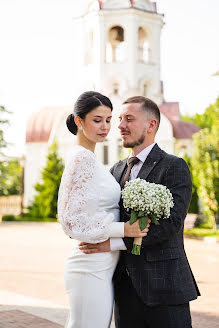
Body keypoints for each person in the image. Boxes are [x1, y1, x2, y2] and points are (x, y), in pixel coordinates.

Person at [79, 96, 200, 328]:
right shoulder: (115, 170)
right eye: (120, 119)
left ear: (151, 125)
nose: (120, 125)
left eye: (129, 119)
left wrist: (113, 244)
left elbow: (170, 224)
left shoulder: (174, 166)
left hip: (165, 288)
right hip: (124, 291)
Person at [57, 91, 149, 328]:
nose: (106, 126)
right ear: (79, 121)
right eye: (97, 120)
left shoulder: (91, 158)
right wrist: (124, 229)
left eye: (109, 120)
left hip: (102, 267)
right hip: (89, 268)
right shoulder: (81, 159)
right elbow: (71, 221)